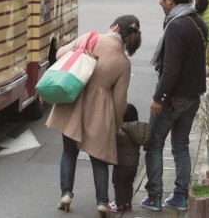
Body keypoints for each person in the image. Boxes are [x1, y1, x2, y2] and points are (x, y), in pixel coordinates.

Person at [46, 15, 142, 217]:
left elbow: (59, 54)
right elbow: (119, 100)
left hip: (74, 99)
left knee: (68, 152)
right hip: (100, 110)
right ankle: (101, 203)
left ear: (114, 26)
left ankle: (66, 194)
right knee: (98, 159)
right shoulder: (124, 62)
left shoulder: (91, 37)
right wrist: (114, 125)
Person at [141, 0, 207, 212]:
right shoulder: (198, 21)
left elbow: (170, 69)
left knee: (153, 145)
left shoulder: (175, 25)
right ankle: (179, 197)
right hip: (193, 96)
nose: (159, 2)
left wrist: (158, 98)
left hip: (173, 98)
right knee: (180, 145)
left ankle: (154, 197)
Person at [107, 103, 151, 214]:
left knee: (118, 184)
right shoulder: (137, 131)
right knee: (128, 184)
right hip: (133, 165)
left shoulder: (120, 131)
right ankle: (128, 203)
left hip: (121, 164)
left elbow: (112, 140)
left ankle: (119, 204)